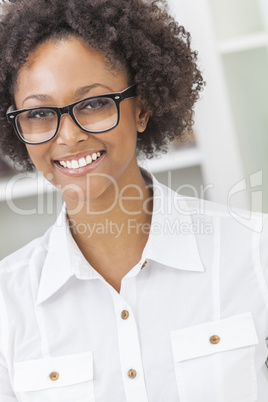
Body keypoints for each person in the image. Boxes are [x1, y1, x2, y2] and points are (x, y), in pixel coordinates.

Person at [0, 0, 267, 401]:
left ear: (141, 109)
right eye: (39, 114)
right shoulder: (8, 304)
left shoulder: (255, 254)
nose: (68, 137)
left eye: (92, 104)